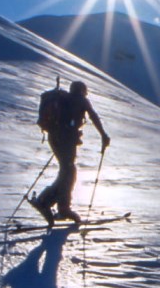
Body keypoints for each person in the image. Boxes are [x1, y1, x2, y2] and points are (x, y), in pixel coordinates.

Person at [29, 80, 110, 226]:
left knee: (67, 171)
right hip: (66, 140)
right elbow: (93, 116)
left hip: (55, 137)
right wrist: (104, 135)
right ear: (82, 91)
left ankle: (61, 206)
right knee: (68, 172)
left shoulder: (64, 98)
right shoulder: (81, 100)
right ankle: (48, 202)